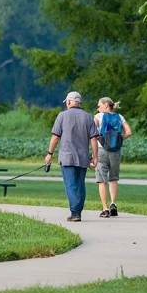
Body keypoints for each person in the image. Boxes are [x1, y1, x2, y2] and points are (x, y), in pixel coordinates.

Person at [45, 91, 98, 222]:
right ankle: (78, 211)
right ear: (79, 102)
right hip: (83, 157)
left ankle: (75, 213)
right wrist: (95, 156)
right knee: (80, 184)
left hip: (67, 156)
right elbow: (93, 139)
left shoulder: (62, 116)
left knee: (70, 184)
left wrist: (49, 154)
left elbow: (55, 137)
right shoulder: (88, 117)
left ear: (69, 102)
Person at [94, 97, 132, 218]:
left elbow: (92, 134)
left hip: (101, 150)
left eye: (99, 105)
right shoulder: (119, 117)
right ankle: (113, 203)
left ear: (106, 105)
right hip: (116, 151)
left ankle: (105, 209)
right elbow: (129, 132)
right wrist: (119, 140)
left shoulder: (98, 117)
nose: (98, 108)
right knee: (113, 178)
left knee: (102, 180)